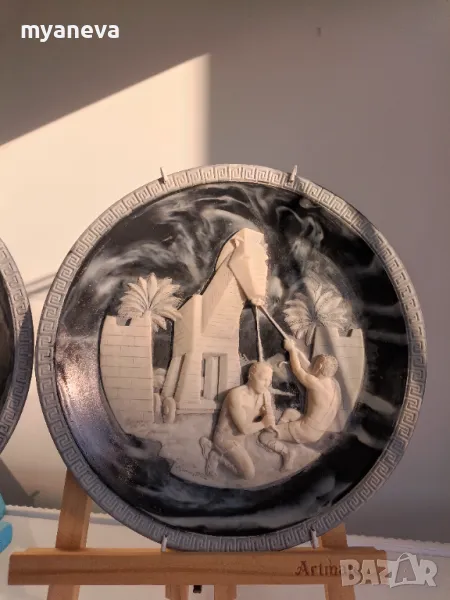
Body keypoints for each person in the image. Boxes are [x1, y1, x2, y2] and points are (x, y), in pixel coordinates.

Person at [258, 338, 341, 468]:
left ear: (319, 366)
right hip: (318, 431)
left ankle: (287, 454)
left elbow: (298, 370)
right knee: (289, 413)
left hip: (306, 430)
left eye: (315, 363)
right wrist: (295, 350)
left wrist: (291, 350)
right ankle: (281, 432)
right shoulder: (334, 385)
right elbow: (309, 368)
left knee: (264, 437)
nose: (312, 365)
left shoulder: (315, 384)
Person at [200, 361, 277, 480]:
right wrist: (264, 422)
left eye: (269, 381)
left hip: (240, 440)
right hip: (225, 439)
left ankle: (216, 453)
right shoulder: (237, 395)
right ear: (251, 375)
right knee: (248, 474)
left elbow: (268, 420)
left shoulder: (265, 394)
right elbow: (244, 428)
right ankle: (214, 453)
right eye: (263, 379)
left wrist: (267, 418)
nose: (266, 384)